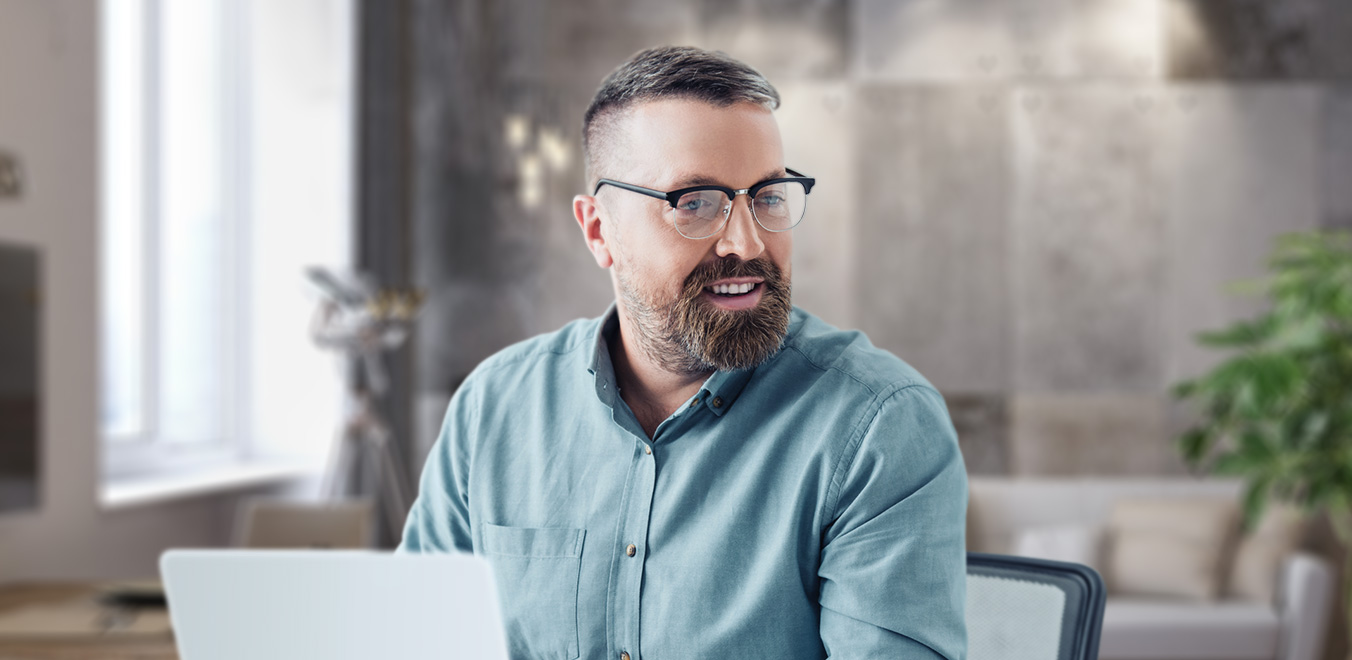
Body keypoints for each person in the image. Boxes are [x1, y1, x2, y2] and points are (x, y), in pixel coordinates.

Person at [399, 45, 967, 660]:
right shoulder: (493, 408)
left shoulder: (880, 426)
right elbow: (417, 639)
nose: (747, 243)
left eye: (768, 197)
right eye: (694, 202)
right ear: (599, 230)